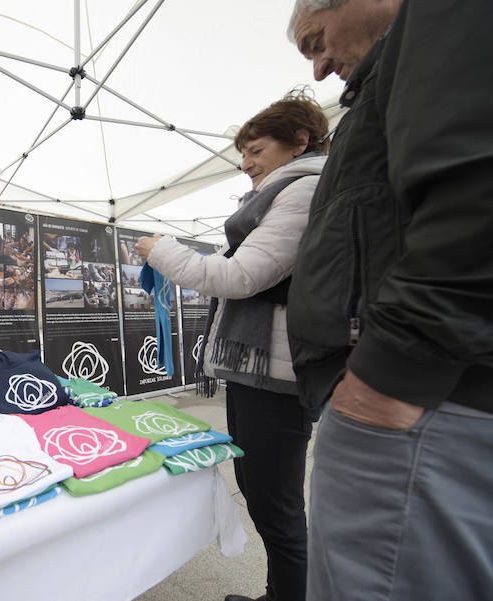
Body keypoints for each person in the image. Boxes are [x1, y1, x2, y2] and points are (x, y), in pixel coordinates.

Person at [287, 1, 493, 599]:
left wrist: (388, 381)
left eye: (316, 41)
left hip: (423, 403)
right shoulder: (392, 77)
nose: (320, 68)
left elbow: (475, 190)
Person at [135, 92, 329, 601]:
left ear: (299, 142)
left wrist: (162, 250)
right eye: (242, 153)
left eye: (257, 151)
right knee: (264, 497)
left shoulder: (303, 190)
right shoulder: (277, 195)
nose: (245, 164)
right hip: (260, 370)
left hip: (279, 375)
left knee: (277, 505)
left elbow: (239, 276)